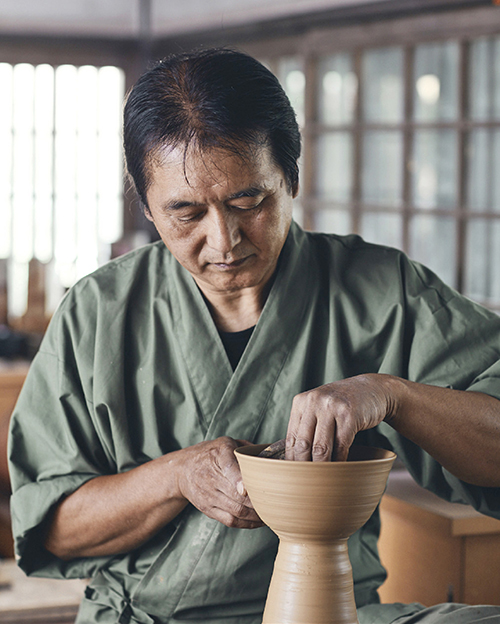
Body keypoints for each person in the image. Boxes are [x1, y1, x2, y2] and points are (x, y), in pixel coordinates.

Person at [8, 48, 500, 624]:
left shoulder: (379, 290)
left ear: (290, 177)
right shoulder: (99, 311)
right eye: (186, 213)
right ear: (146, 204)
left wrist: (392, 395)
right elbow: (54, 528)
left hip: (332, 610)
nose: (224, 240)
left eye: (249, 201)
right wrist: (176, 476)